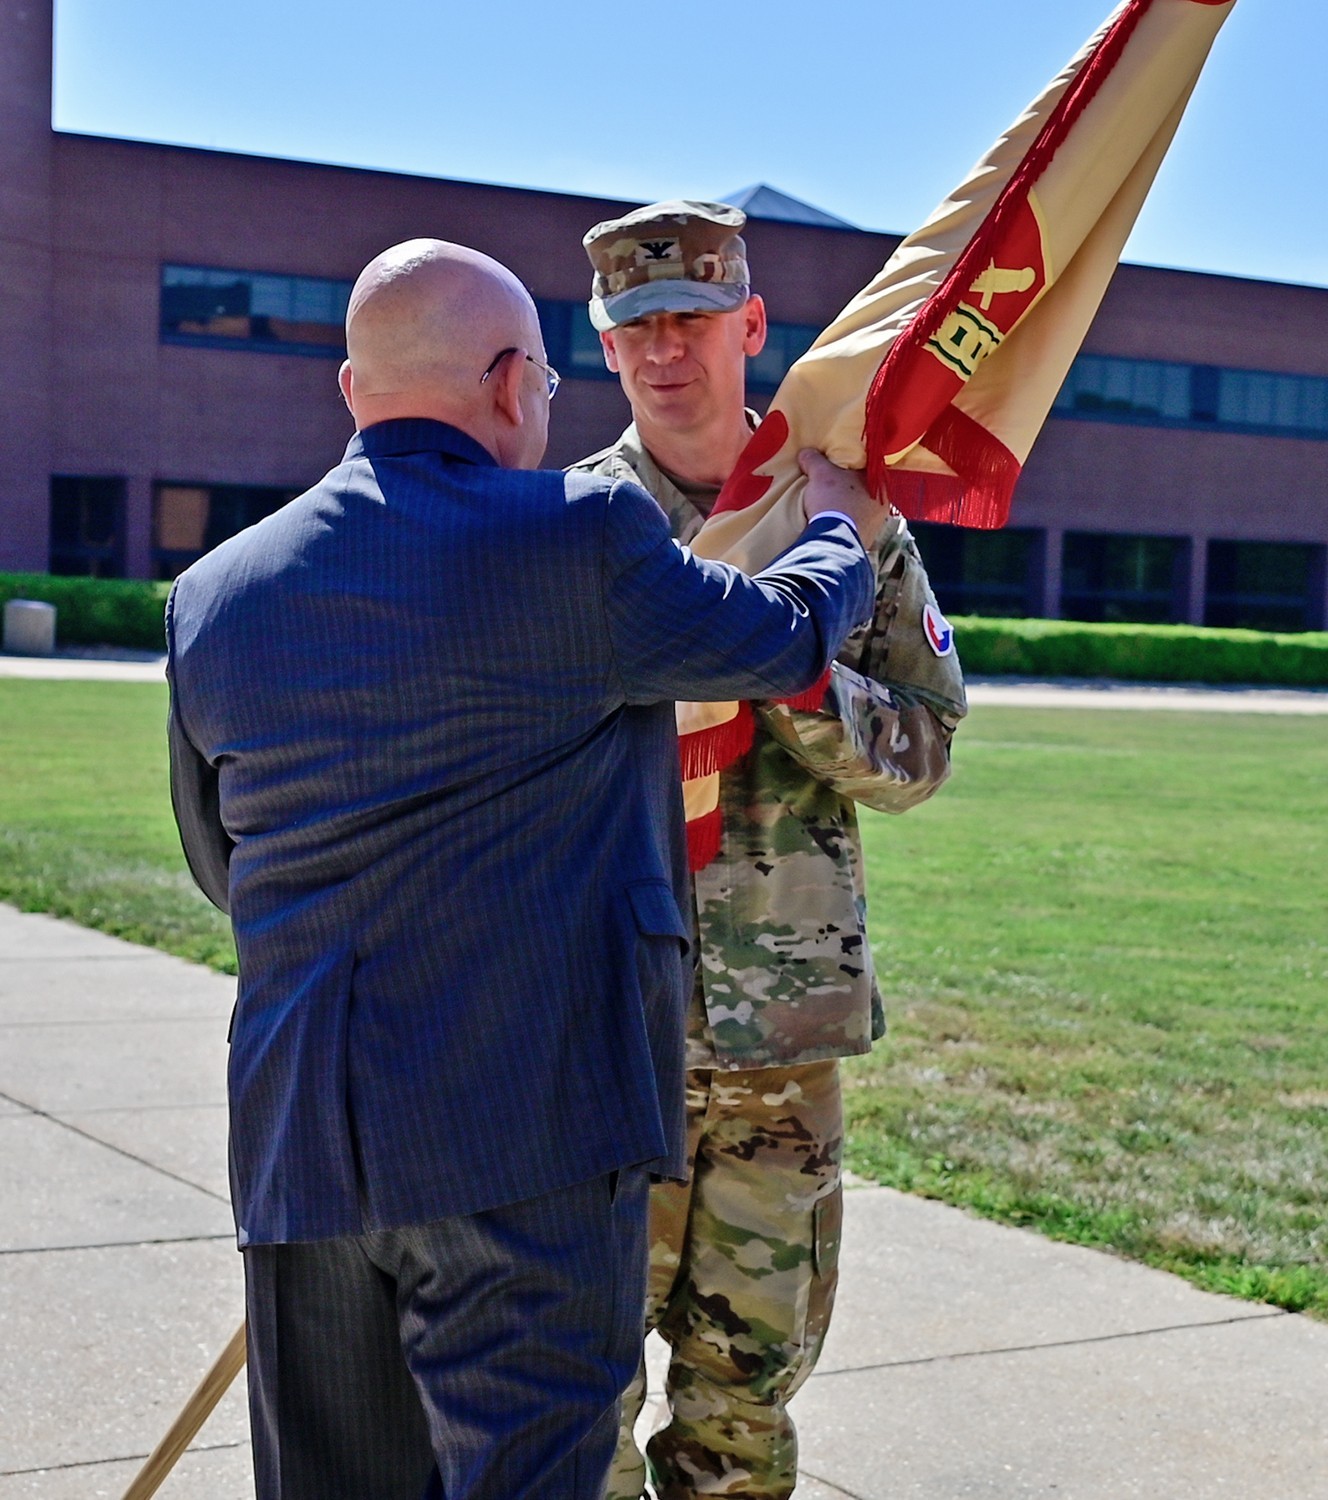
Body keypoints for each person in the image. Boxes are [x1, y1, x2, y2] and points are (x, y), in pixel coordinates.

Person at [166, 238, 887, 1500]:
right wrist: (837, 531)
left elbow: (224, 867)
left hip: (301, 1153)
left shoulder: (214, 594)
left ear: (353, 392)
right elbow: (772, 639)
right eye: (549, 383)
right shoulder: (579, 532)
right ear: (510, 386)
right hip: (528, 1138)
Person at [568, 200, 968, 1500]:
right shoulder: (561, 528)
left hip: (775, 1051)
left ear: (750, 324)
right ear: (601, 343)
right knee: (579, 1404)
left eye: (690, 319)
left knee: (742, 1413)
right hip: (598, 1042)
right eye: (636, 328)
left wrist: (791, 674)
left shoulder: (843, 521)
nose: (664, 350)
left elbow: (919, 751)